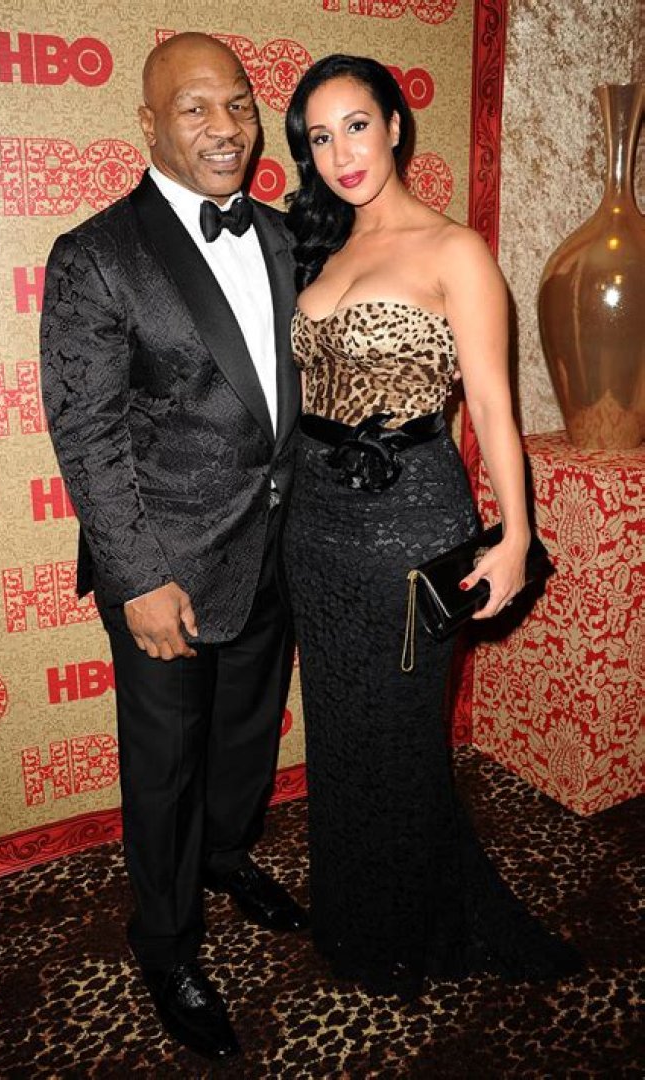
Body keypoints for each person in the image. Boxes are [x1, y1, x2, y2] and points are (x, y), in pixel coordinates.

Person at [282, 54, 581, 999]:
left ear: (396, 127)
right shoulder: (316, 249)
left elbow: (491, 407)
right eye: (320, 137)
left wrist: (515, 538)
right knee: (339, 734)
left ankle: (414, 931)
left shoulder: (457, 251)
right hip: (315, 529)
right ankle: (354, 918)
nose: (341, 153)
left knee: (404, 740)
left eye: (356, 125)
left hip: (411, 522)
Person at [40, 34, 305, 1062]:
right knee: (164, 770)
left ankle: (228, 858)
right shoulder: (97, 254)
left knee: (246, 736)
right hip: (167, 567)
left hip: (275, 546)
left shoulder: (284, 235)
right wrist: (139, 578)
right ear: (148, 125)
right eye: (194, 109)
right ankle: (164, 941)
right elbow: (88, 433)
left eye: (238, 103)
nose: (224, 128)